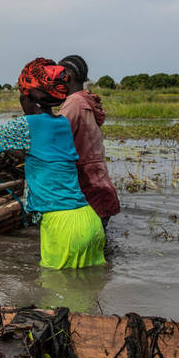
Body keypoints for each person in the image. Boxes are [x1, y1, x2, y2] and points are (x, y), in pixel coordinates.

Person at [0, 58, 105, 270]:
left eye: (21, 94)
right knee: (88, 295)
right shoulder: (61, 124)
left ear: (29, 96)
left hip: (63, 226)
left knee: (57, 296)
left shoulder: (28, 125)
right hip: (89, 220)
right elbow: (20, 151)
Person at [56, 55, 120, 228]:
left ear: (66, 76)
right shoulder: (85, 100)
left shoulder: (73, 103)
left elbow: (53, 138)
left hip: (88, 190)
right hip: (100, 186)